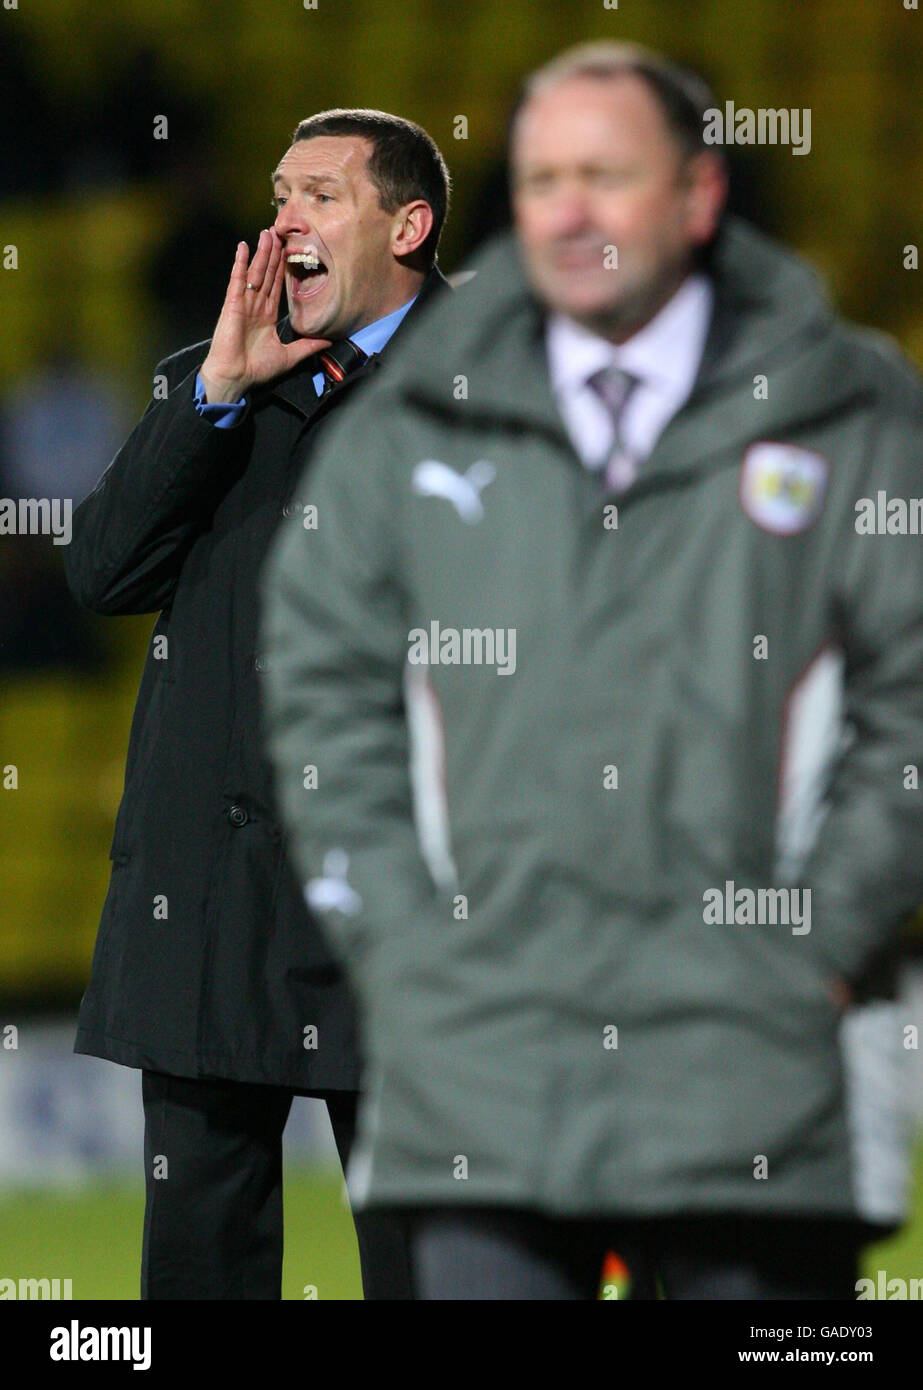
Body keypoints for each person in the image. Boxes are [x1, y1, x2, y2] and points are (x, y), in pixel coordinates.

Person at [261, 45, 923, 1299]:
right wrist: (402, 942)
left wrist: (817, 935)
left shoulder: (847, 412)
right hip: (477, 1079)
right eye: (543, 176)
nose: (568, 208)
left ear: (695, 197)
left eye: (605, 175)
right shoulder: (408, 427)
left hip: (759, 1076)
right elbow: (319, 694)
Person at [65, 108, 451, 1300]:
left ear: (408, 224)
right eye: (279, 193)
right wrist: (217, 396)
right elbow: (102, 574)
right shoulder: (212, 375)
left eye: (320, 196)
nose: (285, 222)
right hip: (208, 916)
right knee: (198, 1275)